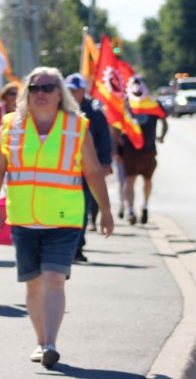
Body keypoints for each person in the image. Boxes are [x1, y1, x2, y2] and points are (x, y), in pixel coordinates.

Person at [0, 67, 114, 369]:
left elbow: (93, 171)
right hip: (22, 217)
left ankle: (51, 343)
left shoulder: (77, 126)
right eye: (34, 87)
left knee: (54, 280)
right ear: (27, 92)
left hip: (64, 218)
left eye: (48, 87)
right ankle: (40, 341)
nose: (40, 92)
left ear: (60, 93)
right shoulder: (10, 124)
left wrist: (105, 211)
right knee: (33, 285)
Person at [64, 73, 113, 261]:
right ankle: (66, 246)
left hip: (86, 171)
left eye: (75, 90)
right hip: (64, 170)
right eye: (68, 90)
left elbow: (104, 139)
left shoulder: (94, 114)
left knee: (82, 209)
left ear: (83, 91)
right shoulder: (60, 111)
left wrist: (105, 162)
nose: (72, 94)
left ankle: (77, 247)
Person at [116, 104, 168, 226]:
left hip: (148, 149)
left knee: (148, 181)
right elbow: (115, 123)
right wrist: (116, 146)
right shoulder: (127, 104)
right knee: (129, 180)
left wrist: (162, 136)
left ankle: (145, 206)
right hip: (130, 150)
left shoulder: (151, 102)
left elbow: (164, 121)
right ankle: (130, 210)